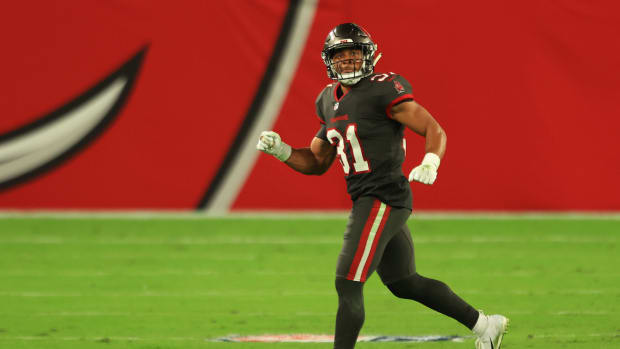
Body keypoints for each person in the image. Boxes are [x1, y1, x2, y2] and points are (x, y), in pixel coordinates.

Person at [256, 23, 508, 349]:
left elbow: (433, 128)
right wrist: (282, 151)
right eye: (340, 57)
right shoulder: (326, 100)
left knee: (347, 282)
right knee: (404, 282)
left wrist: (431, 160)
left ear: (368, 57)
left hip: (382, 196)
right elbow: (317, 161)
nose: (347, 63)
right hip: (370, 197)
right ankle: (485, 325)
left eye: (354, 56)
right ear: (329, 61)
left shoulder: (383, 88)